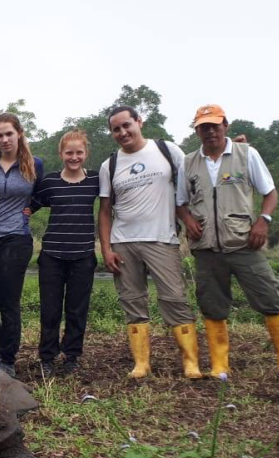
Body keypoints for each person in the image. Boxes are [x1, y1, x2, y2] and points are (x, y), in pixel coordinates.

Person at [176, 104, 279, 382]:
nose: (210, 131)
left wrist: (263, 220)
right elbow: (180, 202)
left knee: (271, 298)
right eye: (203, 126)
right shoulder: (188, 162)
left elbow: (269, 192)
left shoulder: (247, 154)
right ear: (196, 130)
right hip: (206, 248)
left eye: (214, 125)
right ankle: (220, 366)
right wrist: (187, 221)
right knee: (212, 305)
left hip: (244, 242)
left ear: (226, 125)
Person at [98, 106, 201, 379]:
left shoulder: (167, 150)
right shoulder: (110, 165)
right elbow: (105, 210)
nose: (122, 132)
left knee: (174, 298)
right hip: (123, 242)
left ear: (139, 122)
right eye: (116, 129)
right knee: (132, 301)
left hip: (162, 238)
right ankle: (141, 363)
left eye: (126, 125)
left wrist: (233, 150)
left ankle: (190, 362)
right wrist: (106, 248)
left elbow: (195, 173)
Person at [0, 113, 43, 378]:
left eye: (9, 134)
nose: (4, 139)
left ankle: (7, 357)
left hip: (17, 237)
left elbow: (42, 194)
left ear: (19, 134)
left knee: (8, 299)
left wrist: (30, 210)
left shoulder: (33, 164)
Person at [28, 129, 100, 378]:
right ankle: (47, 357)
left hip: (83, 255)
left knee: (77, 309)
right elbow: (30, 207)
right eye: (69, 152)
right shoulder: (49, 182)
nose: (74, 157)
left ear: (85, 153)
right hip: (52, 256)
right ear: (61, 153)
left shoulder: (94, 180)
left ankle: (72, 356)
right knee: (50, 309)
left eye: (79, 152)